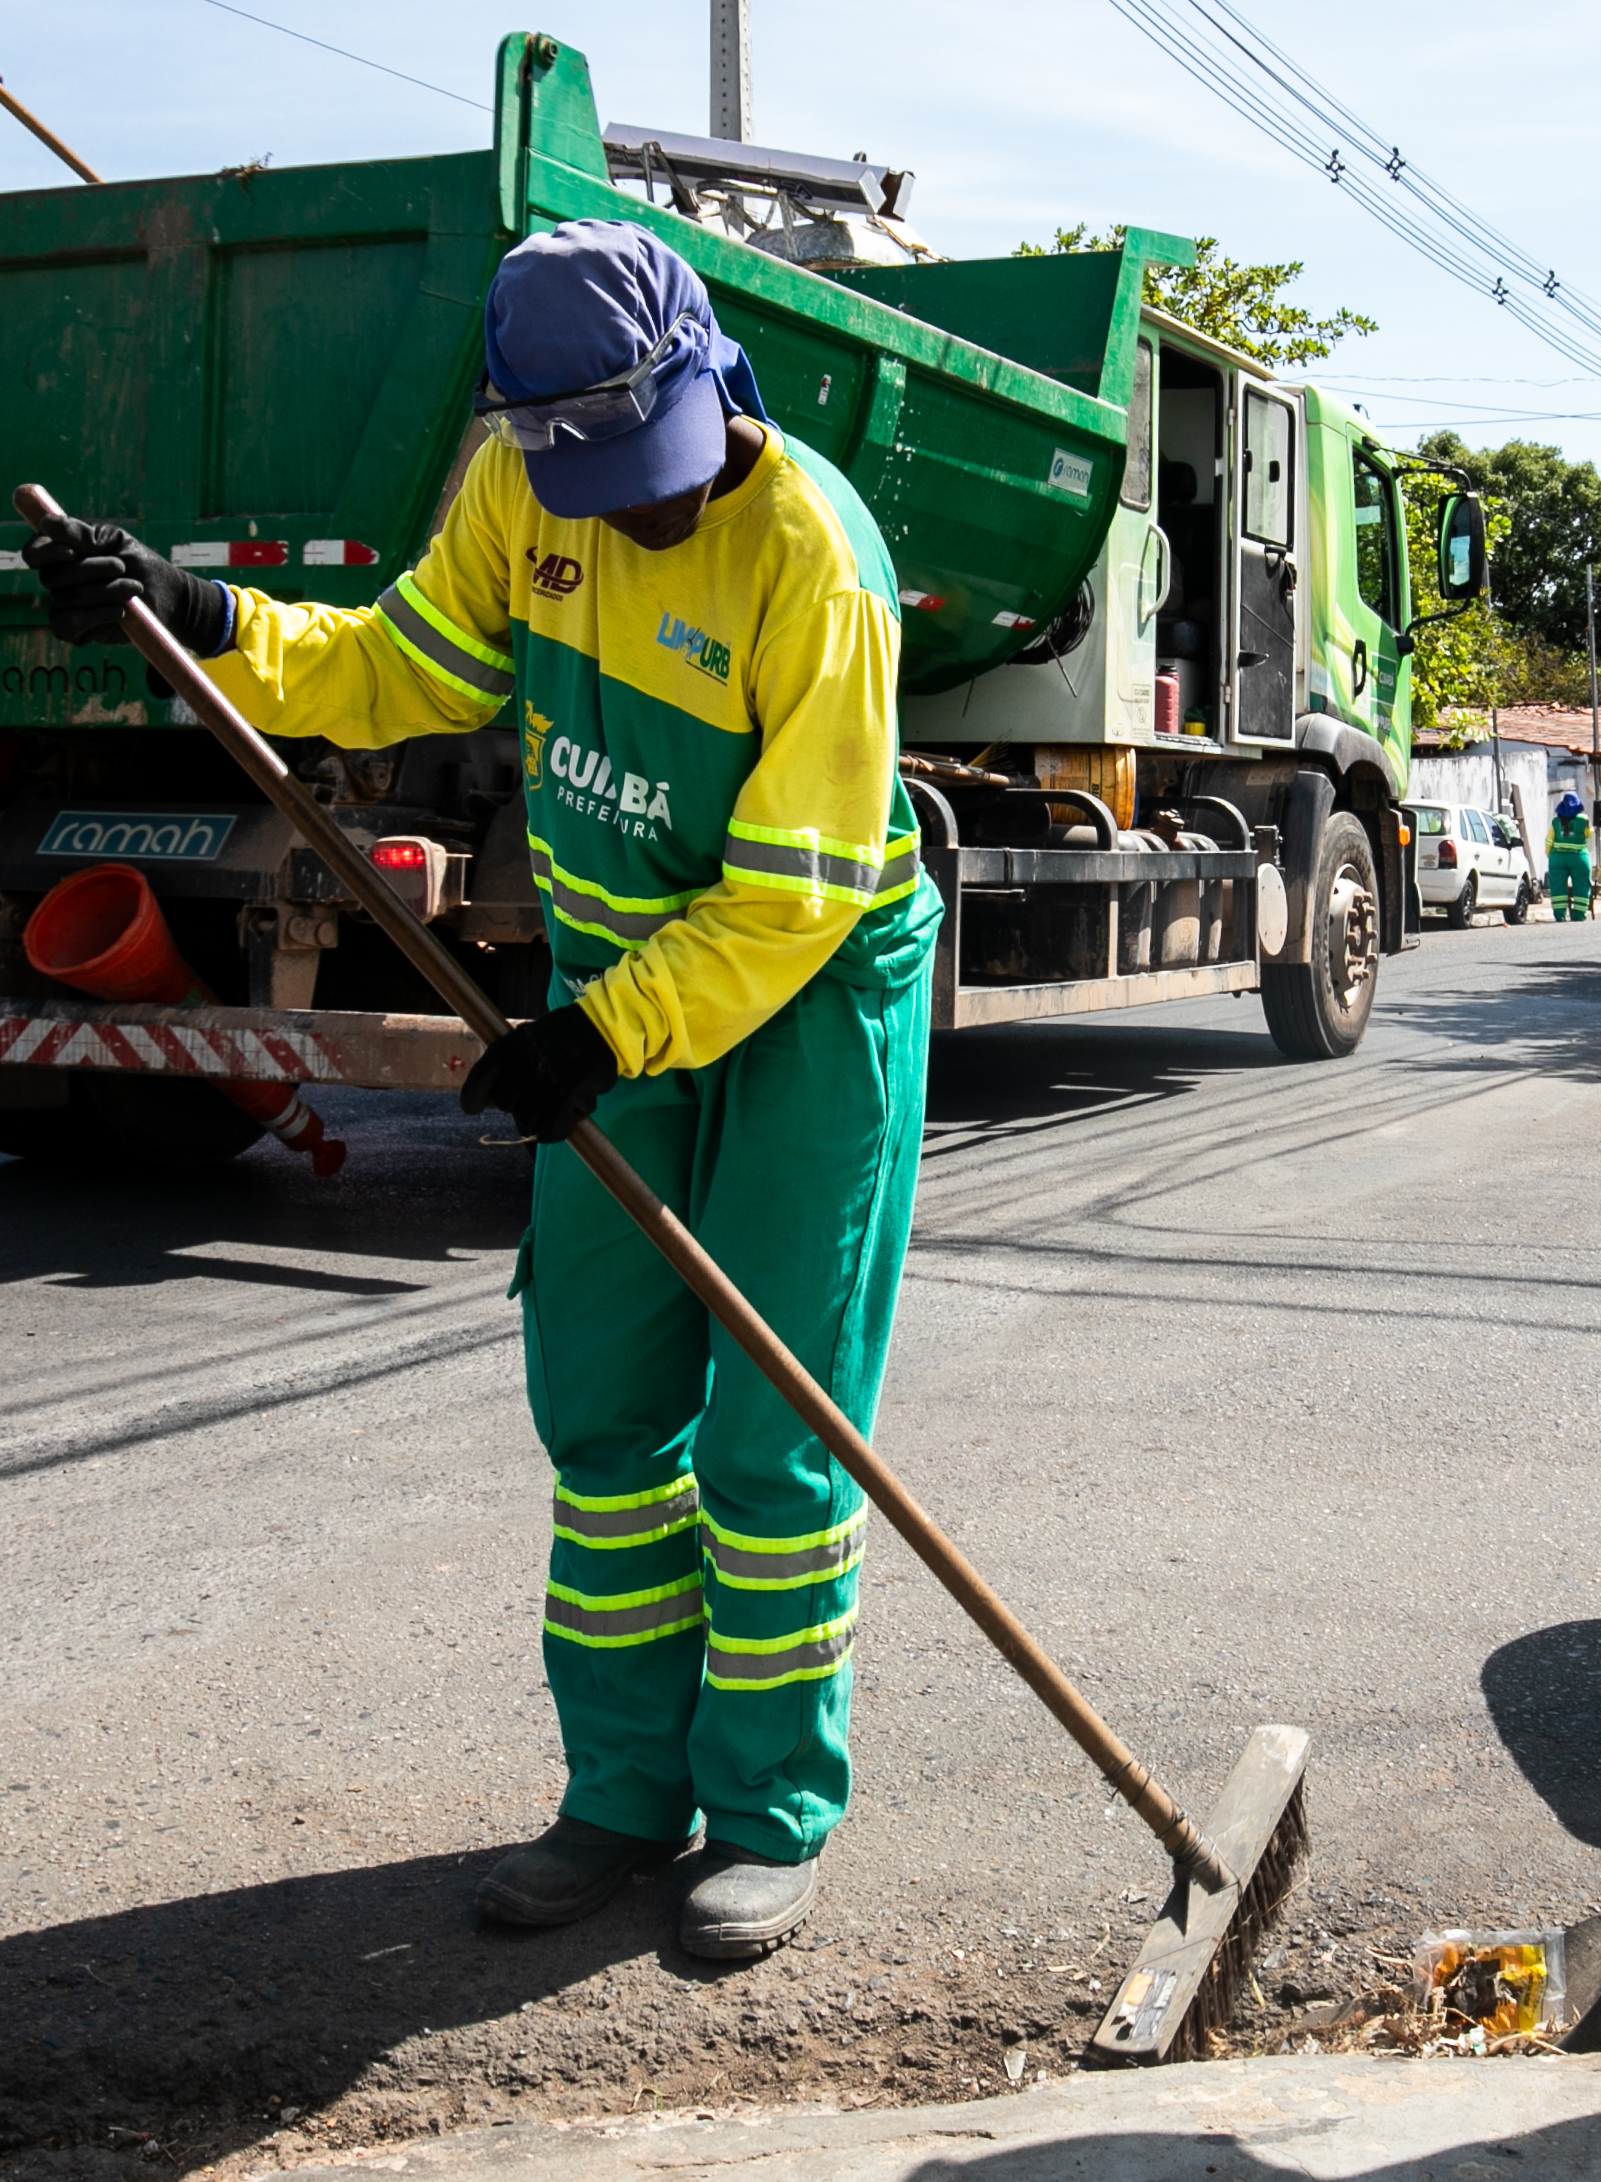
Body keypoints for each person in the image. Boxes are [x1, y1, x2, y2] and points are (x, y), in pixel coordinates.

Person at [25, 219, 939, 1962]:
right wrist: (200, 610)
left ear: (707, 382)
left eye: (645, 470)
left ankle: (765, 1811)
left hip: (806, 994)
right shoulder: (530, 493)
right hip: (621, 996)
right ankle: (618, 1794)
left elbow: (789, 893)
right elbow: (406, 668)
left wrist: (598, 1036)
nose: (621, 508)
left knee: (776, 1422)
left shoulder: (814, 557)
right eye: (583, 474)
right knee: (603, 1423)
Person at [1546, 790, 1597, 920]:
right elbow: (1589, 834)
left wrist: (1550, 856)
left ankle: (1559, 915)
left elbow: (1549, 841)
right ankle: (1579, 915)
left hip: (1557, 858)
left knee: (1557, 887)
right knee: (1581, 885)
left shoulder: (1556, 821)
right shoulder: (1583, 819)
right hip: (1578, 857)